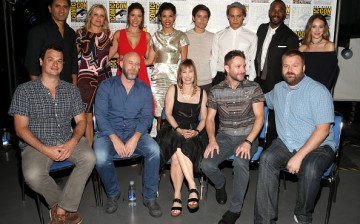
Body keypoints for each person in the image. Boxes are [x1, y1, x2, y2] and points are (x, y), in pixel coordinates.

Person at [9, 44, 96, 224]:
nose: (55, 64)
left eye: (59, 61)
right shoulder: (24, 90)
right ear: (41, 62)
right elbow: (20, 129)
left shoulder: (71, 90)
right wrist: (46, 149)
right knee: (33, 175)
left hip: (66, 138)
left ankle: (60, 209)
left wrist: (73, 142)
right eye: (50, 60)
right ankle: (62, 207)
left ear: (63, 65)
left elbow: (81, 122)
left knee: (89, 157)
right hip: (36, 144)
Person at [254, 50, 336, 224]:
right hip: (286, 143)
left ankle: (303, 215)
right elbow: (260, 99)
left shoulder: (318, 91)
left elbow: (323, 131)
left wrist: (299, 156)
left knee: (310, 168)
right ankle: (264, 220)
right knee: (267, 159)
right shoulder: (278, 89)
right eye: (286, 66)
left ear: (304, 68)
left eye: (295, 65)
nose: (290, 70)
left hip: (318, 146)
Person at [93, 52, 162, 217]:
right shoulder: (106, 86)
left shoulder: (144, 89)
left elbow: (147, 117)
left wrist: (135, 138)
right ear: (121, 64)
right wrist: (114, 138)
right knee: (101, 157)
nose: (134, 67)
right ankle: (113, 193)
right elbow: (101, 116)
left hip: (134, 131)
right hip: (109, 133)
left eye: (138, 64)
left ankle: (150, 196)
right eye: (130, 63)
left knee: (154, 151)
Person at [201, 50, 264, 224]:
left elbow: (260, 117)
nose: (243, 69)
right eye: (238, 66)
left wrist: (248, 141)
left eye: (244, 65)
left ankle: (235, 209)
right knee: (206, 164)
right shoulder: (215, 91)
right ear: (227, 68)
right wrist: (212, 140)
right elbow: (210, 119)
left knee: (240, 162)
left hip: (248, 135)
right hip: (225, 135)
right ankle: (220, 185)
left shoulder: (254, 87)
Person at [156, 59, 207, 217]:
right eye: (184, 72)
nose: (187, 75)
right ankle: (192, 186)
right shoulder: (173, 89)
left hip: (193, 131)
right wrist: (178, 129)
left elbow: (204, 119)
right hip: (172, 128)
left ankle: (177, 196)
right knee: (177, 141)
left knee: (177, 156)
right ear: (179, 74)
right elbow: (168, 114)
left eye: (190, 71)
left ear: (194, 74)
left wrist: (197, 132)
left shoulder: (202, 92)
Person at [254, 0, 299, 147]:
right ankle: (255, 144)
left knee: (274, 119)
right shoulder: (261, 29)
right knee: (256, 114)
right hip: (258, 81)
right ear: (269, 11)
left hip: (277, 83)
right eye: (274, 10)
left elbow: (291, 65)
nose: (276, 13)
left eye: (280, 11)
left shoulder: (290, 36)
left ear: (285, 14)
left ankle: (271, 149)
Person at [147, 2, 190, 131]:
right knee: (160, 115)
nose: (167, 19)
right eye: (164, 16)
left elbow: (184, 63)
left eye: (170, 16)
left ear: (175, 17)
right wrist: (127, 60)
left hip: (174, 79)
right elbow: (149, 60)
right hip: (157, 81)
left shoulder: (181, 36)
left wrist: (182, 81)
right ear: (160, 17)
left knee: (174, 114)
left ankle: (173, 145)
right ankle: (160, 145)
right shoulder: (155, 37)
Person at [76, 4, 113, 146]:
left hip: (105, 77)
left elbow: (115, 53)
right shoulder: (80, 33)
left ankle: (107, 147)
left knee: (106, 114)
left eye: (102, 15)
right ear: (90, 16)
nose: (98, 18)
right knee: (87, 116)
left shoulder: (110, 34)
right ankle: (89, 150)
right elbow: (73, 55)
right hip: (85, 78)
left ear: (105, 19)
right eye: (95, 14)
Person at [25, 0, 78, 84]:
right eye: (57, 6)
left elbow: (74, 62)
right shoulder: (38, 31)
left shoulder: (71, 33)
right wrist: (39, 90)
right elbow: (31, 64)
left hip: (67, 88)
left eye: (65, 7)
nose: (62, 10)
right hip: (45, 86)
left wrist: (74, 87)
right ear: (50, 9)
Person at [210, 2, 257, 86]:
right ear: (228, 17)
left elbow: (253, 60)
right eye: (232, 16)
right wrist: (214, 76)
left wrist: (251, 79)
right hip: (221, 76)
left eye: (238, 16)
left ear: (243, 17)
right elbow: (214, 58)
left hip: (242, 76)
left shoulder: (252, 37)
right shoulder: (218, 35)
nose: (235, 19)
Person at [109, 2, 152, 86]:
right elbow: (109, 55)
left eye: (139, 16)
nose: (135, 19)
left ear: (142, 18)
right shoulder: (119, 34)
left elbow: (149, 59)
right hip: (123, 74)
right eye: (133, 15)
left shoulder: (147, 36)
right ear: (128, 17)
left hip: (141, 74)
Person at [299, 14, 338, 91]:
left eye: (320, 27)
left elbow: (330, 74)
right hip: (304, 89)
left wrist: (320, 91)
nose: (317, 30)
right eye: (314, 27)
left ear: (324, 29)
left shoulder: (329, 46)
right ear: (309, 28)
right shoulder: (302, 48)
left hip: (322, 89)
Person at [186, 4, 214, 94]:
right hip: (188, 81)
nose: (202, 20)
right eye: (199, 16)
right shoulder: (184, 36)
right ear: (193, 18)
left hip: (208, 82)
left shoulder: (214, 37)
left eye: (205, 17)